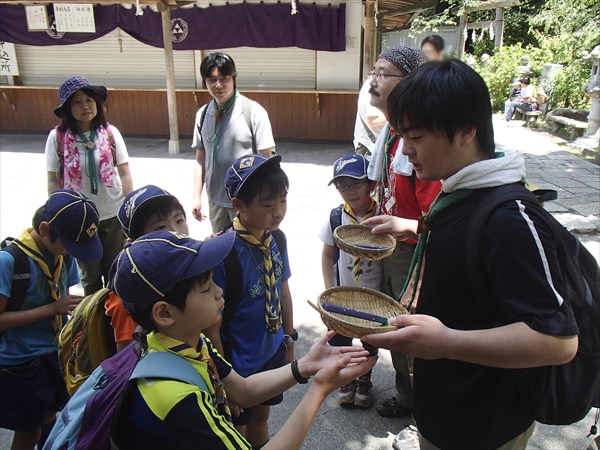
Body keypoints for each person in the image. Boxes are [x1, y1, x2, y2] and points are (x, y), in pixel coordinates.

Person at [362, 59, 578, 449]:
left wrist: (446, 342)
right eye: (400, 135)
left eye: (416, 137)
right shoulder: (458, 194)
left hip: (483, 425)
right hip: (445, 409)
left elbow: (558, 341)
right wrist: (411, 227)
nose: (405, 150)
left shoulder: (508, 218)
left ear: (465, 131)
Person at [108, 230, 377, 449]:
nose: (218, 291)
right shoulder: (177, 398)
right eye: (206, 288)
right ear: (165, 313)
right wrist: (318, 390)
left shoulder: (183, 343)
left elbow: (243, 391)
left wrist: (305, 365)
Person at [363, 46, 442, 419]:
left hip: (413, 251)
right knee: (391, 324)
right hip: (390, 247)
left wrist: (403, 224)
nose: (374, 80)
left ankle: (424, 410)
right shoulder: (390, 135)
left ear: (409, 82)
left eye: (384, 73)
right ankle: (409, 397)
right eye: (373, 71)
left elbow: (442, 215)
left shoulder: (418, 139)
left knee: (410, 329)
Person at [0, 189, 102, 450]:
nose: (71, 252)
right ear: (45, 229)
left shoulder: (61, 256)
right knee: (28, 433)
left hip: (53, 354)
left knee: (50, 419)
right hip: (20, 363)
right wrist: (52, 309)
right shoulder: (9, 261)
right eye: (69, 245)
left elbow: (63, 299)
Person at [204, 154, 293, 448]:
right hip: (238, 363)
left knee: (261, 418)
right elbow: (212, 325)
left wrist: (289, 339)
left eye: (283, 200)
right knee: (236, 429)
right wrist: (224, 382)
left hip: (270, 353)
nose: (278, 211)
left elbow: (283, 290)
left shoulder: (277, 239)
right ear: (239, 205)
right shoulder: (223, 253)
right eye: (268, 205)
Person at [45, 76, 133, 295]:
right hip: (80, 219)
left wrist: (130, 211)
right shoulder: (57, 138)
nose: (85, 105)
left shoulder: (110, 133)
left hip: (112, 215)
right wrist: (57, 215)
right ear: (67, 108)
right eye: (76, 101)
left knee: (115, 274)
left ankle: (115, 322)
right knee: (91, 279)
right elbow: (53, 179)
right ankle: (93, 323)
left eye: (89, 100)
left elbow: (125, 173)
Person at [319, 154, 382, 408]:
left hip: (374, 297)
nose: (349, 191)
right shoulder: (337, 217)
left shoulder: (381, 215)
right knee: (341, 339)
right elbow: (326, 255)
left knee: (369, 342)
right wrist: (329, 291)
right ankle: (347, 379)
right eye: (342, 185)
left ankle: (364, 378)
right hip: (344, 295)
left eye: (355, 184)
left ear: (371, 184)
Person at [192, 52, 275, 232]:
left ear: (234, 78)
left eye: (224, 78)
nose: (218, 85)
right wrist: (196, 197)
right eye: (212, 80)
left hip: (247, 203)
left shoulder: (253, 112)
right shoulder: (202, 115)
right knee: (221, 252)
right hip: (215, 201)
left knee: (251, 252)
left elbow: (266, 162)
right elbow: (200, 159)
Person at [103, 185, 190, 352]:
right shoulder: (127, 291)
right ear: (136, 240)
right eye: (160, 228)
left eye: (179, 220)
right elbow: (127, 354)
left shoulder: (186, 261)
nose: (176, 232)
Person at [354, 80, 386, 159]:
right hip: (370, 146)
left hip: (369, 144)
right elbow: (372, 120)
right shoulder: (373, 88)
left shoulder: (370, 84)